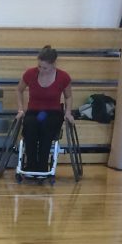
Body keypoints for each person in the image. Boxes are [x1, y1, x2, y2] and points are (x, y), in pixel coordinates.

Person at [15, 45, 74, 173]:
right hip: (34, 112)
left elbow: (68, 97)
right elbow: (19, 90)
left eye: (45, 67)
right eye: (39, 66)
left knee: (46, 127)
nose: (41, 70)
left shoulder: (63, 77)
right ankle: (31, 165)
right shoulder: (30, 73)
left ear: (53, 64)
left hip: (53, 112)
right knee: (30, 126)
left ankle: (42, 167)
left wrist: (68, 112)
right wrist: (20, 109)